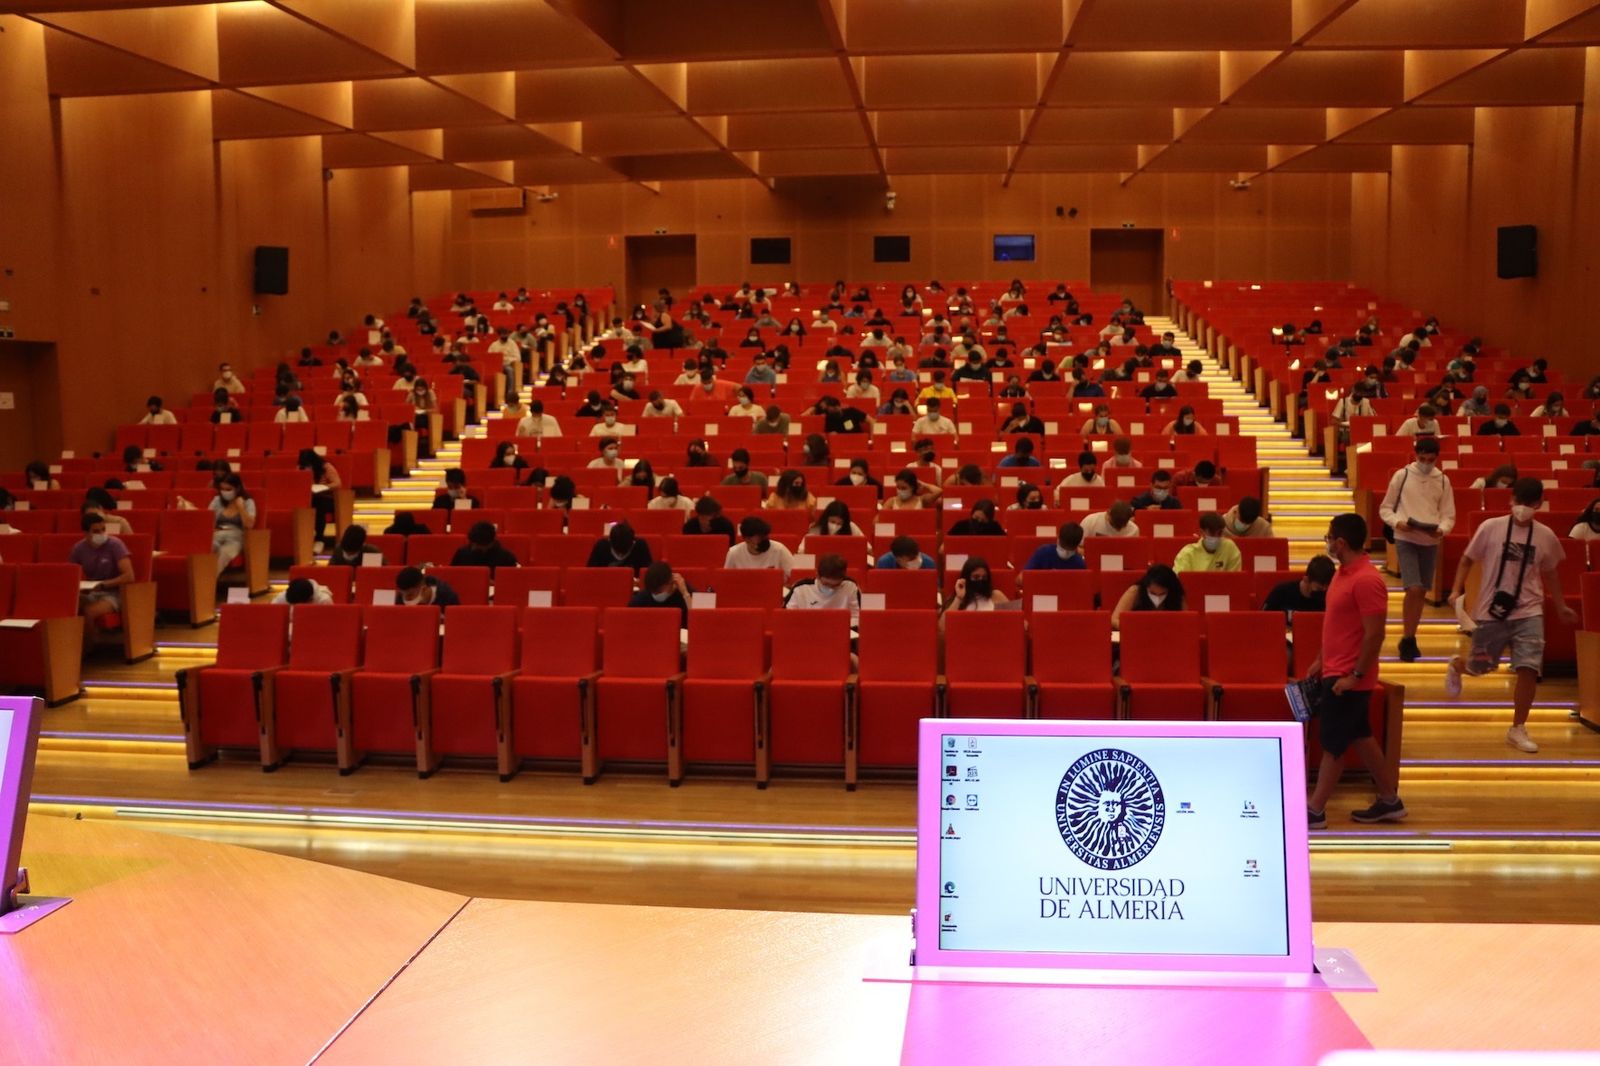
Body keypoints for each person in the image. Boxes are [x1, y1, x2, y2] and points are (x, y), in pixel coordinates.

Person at [1445, 478, 1578, 754]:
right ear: (1511, 500)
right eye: (1519, 502)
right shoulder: (1490, 527)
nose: (1523, 508)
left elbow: (1551, 573)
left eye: (1529, 504)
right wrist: (1456, 589)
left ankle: (1518, 727)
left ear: (1539, 504)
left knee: (1529, 668)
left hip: (1530, 610)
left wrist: (1561, 605)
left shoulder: (1545, 536)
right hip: (1492, 611)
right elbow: (1468, 558)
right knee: (1480, 667)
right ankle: (1457, 665)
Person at [1306, 512, 1405, 828]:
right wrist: (1321, 659)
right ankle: (1389, 800)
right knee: (1361, 735)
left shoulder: (1367, 580)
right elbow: (1337, 624)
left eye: (1329, 537)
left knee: (1333, 744)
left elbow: (1375, 635)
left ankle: (1316, 809)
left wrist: (1355, 677)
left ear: (1341, 542)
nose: (1327, 542)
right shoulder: (1342, 574)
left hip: (1347, 679)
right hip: (1336, 670)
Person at [1378, 437, 1454, 663]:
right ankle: (1408, 637)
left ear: (1437, 458)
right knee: (1413, 588)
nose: (1426, 463)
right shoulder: (1402, 475)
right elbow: (1385, 508)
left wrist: (1441, 530)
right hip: (1406, 537)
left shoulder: (1443, 480)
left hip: (1429, 541)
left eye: (1431, 460)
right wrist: (1398, 523)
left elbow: (1448, 515)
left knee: (1421, 592)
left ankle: (1410, 636)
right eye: (1422, 458)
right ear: (1415, 455)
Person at [70, 512, 135, 651]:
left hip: (114, 593)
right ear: (86, 533)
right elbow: (71, 574)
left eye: (103, 529)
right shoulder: (78, 549)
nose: (101, 534)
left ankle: (86, 650)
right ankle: (69, 648)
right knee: (70, 606)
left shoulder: (115, 545)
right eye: (96, 531)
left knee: (89, 612)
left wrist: (104, 585)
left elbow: (129, 576)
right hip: (91, 592)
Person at [783, 553, 861, 625]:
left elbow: (856, 617)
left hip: (840, 629)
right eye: (826, 584)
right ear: (817, 575)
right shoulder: (800, 588)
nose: (830, 589)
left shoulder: (850, 586)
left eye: (836, 585)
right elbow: (787, 616)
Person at [1109, 564, 1184, 629]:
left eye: (1162, 594)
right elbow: (1114, 620)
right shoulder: (1135, 592)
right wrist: (1135, 628)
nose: (1157, 598)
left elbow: (1185, 621)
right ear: (1146, 586)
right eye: (1152, 593)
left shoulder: (1176, 594)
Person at [1263, 555, 1335, 618]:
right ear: (1306, 579)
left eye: (1327, 588)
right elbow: (1263, 618)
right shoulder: (1281, 592)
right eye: (1318, 588)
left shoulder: (1329, 597)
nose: (1323, 592)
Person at [724, 516, 794, 580]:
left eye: (765, 536)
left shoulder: (779, 549)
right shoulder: (734, 553)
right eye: (760, 537)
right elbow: (726, 579)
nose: (764, 540)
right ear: (747, 539)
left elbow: (793, 574)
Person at [209, 473, 256, 569]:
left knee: (224, 553)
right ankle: (201, 577)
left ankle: (207, 578)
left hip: (236, 537)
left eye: (228, 489)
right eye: (222, 489)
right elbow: (208, 519)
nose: (225, 492)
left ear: (237, 488)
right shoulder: (217, 500)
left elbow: (249, 525)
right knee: (208, 549)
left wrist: (241, 507)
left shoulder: (248, 502)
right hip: (217, 534)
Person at [627, 562, 693, 625]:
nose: (656, 595)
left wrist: (685, 594)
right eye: (653, 592)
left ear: (671, 582)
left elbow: (696, 620)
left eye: (659, 592)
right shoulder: (641, 599)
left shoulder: (686, 593)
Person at [1173, 514, 1243, 573]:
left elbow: (1234, 579)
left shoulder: (1230, 548)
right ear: (1202, 532)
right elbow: (1179, 580)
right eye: (1212, 533)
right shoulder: (1187, 553)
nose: (1216, 537)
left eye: (1219, 533)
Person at [942, 556, 1008, 615]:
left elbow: (1011, 618)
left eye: (984, 577)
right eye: (976, 577)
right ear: (967, 578)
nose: (980, 580)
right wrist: (958, 598)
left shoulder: (996, 596)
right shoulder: (959, 598)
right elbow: (943, 624)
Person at [451, 521, 520, 572]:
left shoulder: (506, 558)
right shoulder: (462, 553)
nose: (473, 547)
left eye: (478, 545)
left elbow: (511, 580)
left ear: (490, 543)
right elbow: (453, 574)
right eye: (472, 543)